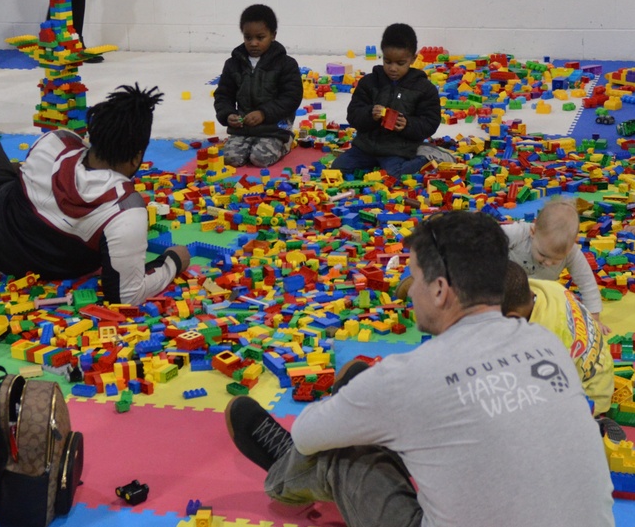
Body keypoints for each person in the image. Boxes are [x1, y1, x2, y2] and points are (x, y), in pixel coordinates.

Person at [225, 211, 614, 527]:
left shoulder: (409, 375)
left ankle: (283, 476)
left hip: (387, 403)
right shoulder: (547, 343)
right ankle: (369, 413)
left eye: (414, 276)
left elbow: (308, 434)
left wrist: (361, 407)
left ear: (441, 290)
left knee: (345, 455)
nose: (409, 290)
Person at [0, 84, 191, 305]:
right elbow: (126, 295)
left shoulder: (55, 142)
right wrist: (173, 262)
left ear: (91, 135)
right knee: (9, 172)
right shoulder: (126, 210)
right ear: (136, 158)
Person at [502, 260, 616, 425]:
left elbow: (540, 391)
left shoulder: (541, 343)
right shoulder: (546, 287)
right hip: (600, 365)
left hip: (591, 396)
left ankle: (595, 425)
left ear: (512, 318)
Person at [331, 23, 443, 178]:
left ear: (413, 59)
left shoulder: (423, 88)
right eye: (388, 61)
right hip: (366, 147)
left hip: (398, 149)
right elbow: (354, 114)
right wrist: (370, 114)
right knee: (336, 169)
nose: (393, 68)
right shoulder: (369, 83)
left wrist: (407, 125)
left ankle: (426, 156)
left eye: (400, 63)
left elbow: (430, 122)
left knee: (395, 174)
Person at [213, 4, 303, 167]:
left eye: (260, 38)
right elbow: (223, 95)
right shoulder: (233, 64)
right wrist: (228, 115)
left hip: (274, 127)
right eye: (248, 38)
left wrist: (264, 113)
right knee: (231, 159)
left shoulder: (286, 64)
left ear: (273, 35)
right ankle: (249, 141)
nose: (253, 43)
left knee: (259, 159)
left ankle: (286, 140)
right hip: (243, 128)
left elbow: (291, 98)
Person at [503, 197, 605, 330]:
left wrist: (594, 319)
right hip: (504, 288)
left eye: (556, 259)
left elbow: (587, 283)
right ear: (533, 232)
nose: (548, 263)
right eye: (543, 255)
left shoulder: (572, 253)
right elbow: (489, 238)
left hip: (537, 298)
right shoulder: (519, 233)